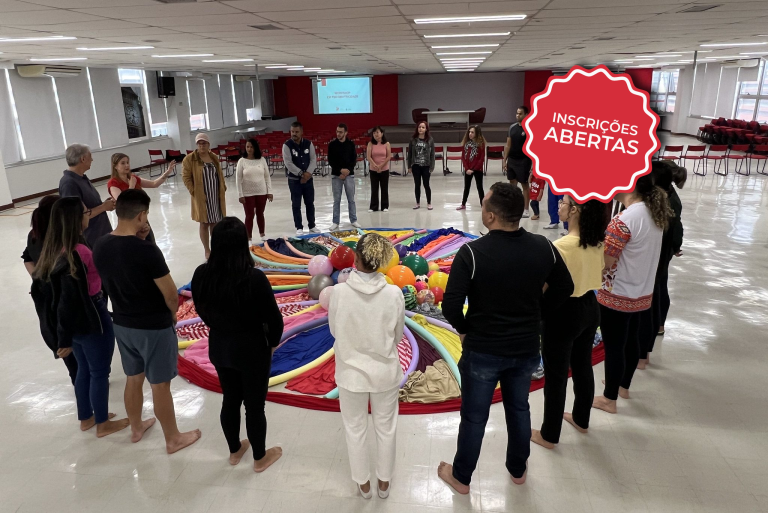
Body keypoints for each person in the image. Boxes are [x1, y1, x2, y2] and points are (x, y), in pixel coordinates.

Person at [439, 183, 573, 493]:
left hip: (482, 349)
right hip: (525, 347)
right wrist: (538, 313)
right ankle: (518, 470)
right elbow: (565, 286)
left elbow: (451, 305)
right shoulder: (543, 247)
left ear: (490, 216)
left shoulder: (472, 253)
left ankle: (462, 477)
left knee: (474, 417)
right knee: (518, 408)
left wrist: (465, 329)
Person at [93, 189, 201, 453]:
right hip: (153, 326)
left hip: (122, 323)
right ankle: (173, 438)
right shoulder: (147, 251)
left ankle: (136, 427)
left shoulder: (100, 245)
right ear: (141, 215)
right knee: (160, 384)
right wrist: (172, 315)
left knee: (133, 377)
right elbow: (170, 294)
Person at [191, 217, 284, 472]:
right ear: (243, 244)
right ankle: (259, 457)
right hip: (252, 350)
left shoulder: (201, 274)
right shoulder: (254, 278)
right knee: (254, 406)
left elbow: (201, 309)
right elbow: (274, 320)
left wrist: (218, 327)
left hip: (220, 347)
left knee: (230, 399)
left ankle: (234, 451)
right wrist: (272, 344)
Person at [31, 197, 129, 437]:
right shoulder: (80, 252)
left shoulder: (54, 251)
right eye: (86, 212)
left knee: (84, 368)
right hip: (91, 315)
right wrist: (62, 338)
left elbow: (57, 302)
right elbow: (68, 300)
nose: (89, 215)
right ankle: (103, 423)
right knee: (99, 372)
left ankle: (86, 417)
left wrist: (63, 335)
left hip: (73, 325)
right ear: (75, 220)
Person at [328, 233, 405, 500]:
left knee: (355, 428)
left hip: (350, 374)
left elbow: (335, 331)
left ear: (356, 259)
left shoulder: (339, 293)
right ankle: (384, 482)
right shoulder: (394, 294)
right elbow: (397, 336)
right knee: (386, 427)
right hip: (385, 372)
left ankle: (363, 484)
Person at [531, 197, 607, 449]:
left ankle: (549, 435)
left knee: (556, 375)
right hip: (590, 307)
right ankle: (581, 419)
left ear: (575, 210)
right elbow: (601, 271)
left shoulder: (560, 246)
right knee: (582, 365)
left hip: (563, 313)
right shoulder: (596, 241)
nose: (559, 206)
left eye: (563, 202)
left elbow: (545, 285)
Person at [592, 174, 671, 414]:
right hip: (641, 290)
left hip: (618, 293)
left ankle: (609, 399)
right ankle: (623, 386)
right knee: (631, 339)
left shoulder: (624, 220)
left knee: (614, 346)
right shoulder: (652, 213)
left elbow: (606, 262)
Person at [24, 195, 79, 383]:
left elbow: (27, 259)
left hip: (46, 299)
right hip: (60, 298)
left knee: (65, 348)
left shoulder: (34, 234)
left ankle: (78, 379)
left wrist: (38, 278)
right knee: (72, 347)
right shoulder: (59, 238)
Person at [638, 162, 685, 368]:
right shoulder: (665, 199)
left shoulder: (665, 203)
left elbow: (674, 229)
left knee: (652, 301)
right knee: (656, 296)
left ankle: (643, 353)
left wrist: (674, 247)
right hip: (659, 258)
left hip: (657, 259)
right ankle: (646, 348)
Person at [107, 153, 177, 244]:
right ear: (115, 166)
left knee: (150, 243)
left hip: (142, 218)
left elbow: (154, 184)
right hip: (129, 221)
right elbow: (122, 202)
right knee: (136, 245)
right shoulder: (113, 183)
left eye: (127, 162)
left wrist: (167, 172)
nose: (127, 165)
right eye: (123, 163)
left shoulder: (133, 178)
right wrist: (131, 186)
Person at [58, 144, 115, 248]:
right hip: (90, 239)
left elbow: (88, 205)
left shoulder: (81, 178)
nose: (92, 160)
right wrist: (103, 207)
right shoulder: (69, 183)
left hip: (101, 234)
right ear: (83, 159)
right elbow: (77, 216)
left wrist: (104, 204)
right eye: (90, 156)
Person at [182, 133, 226, 260]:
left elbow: (219, 173)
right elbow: (186, 177)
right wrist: (193, 191)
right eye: (199, 143)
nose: (202, 146)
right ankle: (207, 249)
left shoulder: (214, 157)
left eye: (204, 143)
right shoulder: (190, 159)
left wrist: (223, 187)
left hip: (215, 195)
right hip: (201, 195)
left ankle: (215, 247)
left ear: (208, 144)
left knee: (215, 222)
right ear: (197, 145)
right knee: (204, 223)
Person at [283, 121, 319, 235]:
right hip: (294, 181)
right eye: (292, 131)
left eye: (296, 132)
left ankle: (312, 225)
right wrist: (301, 174)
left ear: (302, 132)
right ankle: (299, 227)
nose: (294, 134)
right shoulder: (287, 145)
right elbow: (288, 163)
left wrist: (308, 173)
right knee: (296, 204)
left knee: (310, 203)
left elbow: (313, 160)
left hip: (308, 180)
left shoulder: (309, 144)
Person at [236, 138, 273, 244]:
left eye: (251, 147)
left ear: (255, 148)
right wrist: (240, 194)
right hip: (247, 193)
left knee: (260, 213)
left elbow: (267, 177)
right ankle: (248, 238)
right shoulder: (242, 161)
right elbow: (238, 179)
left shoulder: (262, 160)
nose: (249, 149)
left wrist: (269, 191)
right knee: (249, 215)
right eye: (247, 147)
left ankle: (262, 234)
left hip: (261, 192)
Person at [328, 123, 361, 231]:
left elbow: (353, 159)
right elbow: (331, 161)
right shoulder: (332, 145)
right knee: (336, 200)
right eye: (337, 131)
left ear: (346, 133)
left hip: (349, 175)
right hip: (336, 176)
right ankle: (335, 222)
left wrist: (347, 171)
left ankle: (353, 220)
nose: (338, 134)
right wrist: (340, 171)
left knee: (351, 199)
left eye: (341, 132)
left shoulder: (351, 144)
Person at [503, 106, 532, 218]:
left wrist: (534, 164)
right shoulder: (512, 128)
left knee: (524, 184)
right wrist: (504, 160)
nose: (517, 115)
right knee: (512, 184)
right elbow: (508, 145)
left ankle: (526, 209)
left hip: (524, 160)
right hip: (512, 160)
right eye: (517, 113)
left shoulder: (530, 128)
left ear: (526, 115)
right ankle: (513, 207)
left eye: (520, 114)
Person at [456, 125, 486, 211]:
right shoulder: (466, 144)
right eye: (469, 132)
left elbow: (481, 159)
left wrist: (473, 169)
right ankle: (463, 204)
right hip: (468, 169)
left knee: (479, 187)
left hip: (477, 169)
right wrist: (467, 168)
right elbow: (463, 157)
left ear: (477, 133)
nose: (470, 134)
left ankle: (483, 205)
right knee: (466, 187)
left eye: (472, 132)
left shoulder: (481, 144)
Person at [407, 121, 435, 210]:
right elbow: (410, 153)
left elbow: (432, 154)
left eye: (423, 127)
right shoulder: (413, 139)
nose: (421, 129)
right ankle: (417, 202)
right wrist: (409, 166)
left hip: (426, 166)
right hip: (416, 166)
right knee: (417, 184)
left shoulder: (430, 140)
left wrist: (432, 166)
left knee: (426, 184)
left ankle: (429, 203)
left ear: (426, 129)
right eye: (419, 127)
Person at [366, 126, 392, 212]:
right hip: (373, 169)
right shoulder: (370, 144)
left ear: (382, 133)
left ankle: (385, 206)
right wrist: (375, 166)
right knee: (374, 188)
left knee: (384, 188)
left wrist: (381, 166)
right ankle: (373, 206)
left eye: (377, 132)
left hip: (384, 169)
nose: (376, 134)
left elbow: (388, 156)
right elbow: (368, 157)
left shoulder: (387, 144)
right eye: (374, 133)